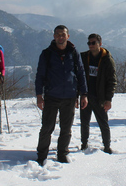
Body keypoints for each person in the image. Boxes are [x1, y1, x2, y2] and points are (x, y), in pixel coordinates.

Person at [35, 25, 87, 165]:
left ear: (68, 36)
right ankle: (42, 155)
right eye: (58, 34)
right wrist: (39, 95)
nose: (60, 37)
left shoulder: (73, 53)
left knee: (66, 128)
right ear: (54, 36)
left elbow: (81, 73)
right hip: (52, 96)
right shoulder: (46, 53)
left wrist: (84, 94)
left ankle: (62, 154)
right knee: (47, 127)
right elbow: (40, 75)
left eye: (63, 34)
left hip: (70, 96)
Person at [80, 33, 117, 154]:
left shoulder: (107, 60)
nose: (91, 45)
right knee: (84, 122)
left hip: (100, 98)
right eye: (89, 43)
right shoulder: (84, 57)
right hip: (86, 96)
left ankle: (107, 146)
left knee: (103, 123)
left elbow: (112, 81)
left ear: (100, 44)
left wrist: (108, 99)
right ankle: (84, 144)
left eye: (93, 43)